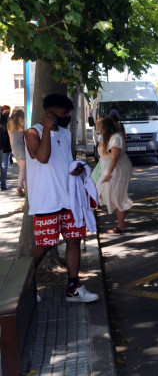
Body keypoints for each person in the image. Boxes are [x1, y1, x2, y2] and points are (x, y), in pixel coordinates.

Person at [25, 94, 99, 303]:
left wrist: (76, 168)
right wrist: (47, 129)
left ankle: (73, 288)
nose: (67, 116)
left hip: (69, 199)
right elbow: (42, 157)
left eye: (68, 112)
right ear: (49, 113)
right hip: (46, 200)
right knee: (44, 244)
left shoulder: (66, 134)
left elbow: (65, 161)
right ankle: (25, 287)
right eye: (63, 112)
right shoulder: (32, 133)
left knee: (74, 240)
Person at [95, 115, 133, 233]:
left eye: (100, 127)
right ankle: (125, 210)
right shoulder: (110, 137)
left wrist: (109, 174)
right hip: (111, 170)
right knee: (106, 194)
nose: (98, 130)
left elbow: (115, 157)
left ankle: (121, 225)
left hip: (116, 171)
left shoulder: (115, 138)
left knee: (114, 196)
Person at [8, 108, 27, 196]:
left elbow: (10, 138)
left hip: (14, 147)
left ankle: (25, 188)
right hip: (22, 147)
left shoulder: (9, 124)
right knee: (23, 169)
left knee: (22, 169)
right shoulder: (23, 123)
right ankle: (19, 187)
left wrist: (12, 149)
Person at [0, 105, 11, 190]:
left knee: (4, 166)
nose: (7, 113)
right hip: (3, 146)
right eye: (5, 111)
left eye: (8, 111)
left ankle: (3, 185)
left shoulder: (9, 121)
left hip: (5, 147)